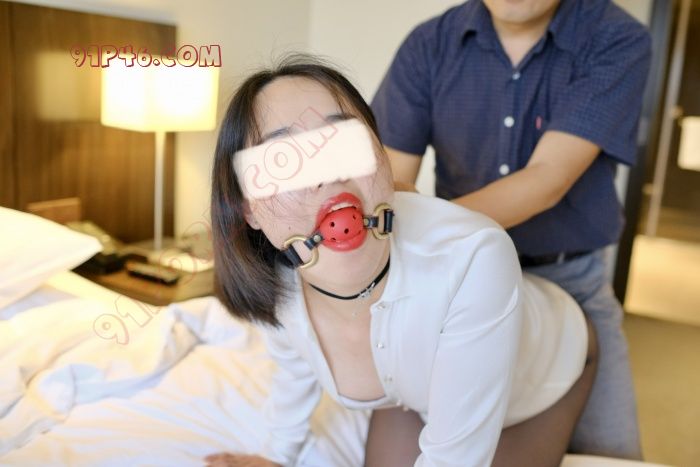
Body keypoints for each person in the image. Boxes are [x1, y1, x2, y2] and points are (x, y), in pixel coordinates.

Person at [204, 56, 597, 467]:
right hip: (413, 393)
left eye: (344, 142)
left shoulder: (474, 256)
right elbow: (295, 367)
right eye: (283, 160)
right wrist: (274, 457)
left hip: (542, 370)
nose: (328, 175)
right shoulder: (278, 282)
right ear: (248, 209)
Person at [370, 0, 651, 459]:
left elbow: (547, 179)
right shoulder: (430, 44)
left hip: (571, 280)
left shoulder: (614, 38)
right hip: (457, 279)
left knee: (611, 452)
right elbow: (389, 187)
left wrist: (432, 228)